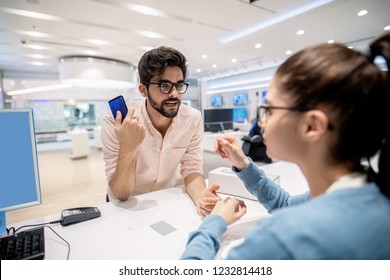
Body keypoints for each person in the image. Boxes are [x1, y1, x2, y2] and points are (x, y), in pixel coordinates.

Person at [181, 33, 390, 259]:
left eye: (269, 110)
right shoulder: (369, 194)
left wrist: (214, 222)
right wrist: (242, 164)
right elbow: (286, 204)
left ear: (311, 126)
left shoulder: (283, 240)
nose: (261, 121)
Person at [101, 46, 220, 217]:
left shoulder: (192, 119)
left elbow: (192, 167)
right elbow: (120, 193)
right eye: (164, 85)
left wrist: (202, 197)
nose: (174, 94)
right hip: (123, 207)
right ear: (143, 90)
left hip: (163, 201)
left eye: (179, 85)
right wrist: (129, 146)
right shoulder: (116, 121)